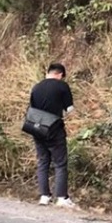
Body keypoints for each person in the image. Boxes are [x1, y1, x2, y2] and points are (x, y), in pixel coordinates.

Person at [29, 63, 75, 208]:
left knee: (43, 161)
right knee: (60, 162)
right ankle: (61, 197)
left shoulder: (36, 87)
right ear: (60, 74)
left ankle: (44, 196)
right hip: (54, 128)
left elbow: (32, 108)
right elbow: (70, 109)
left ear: (48, 72)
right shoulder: (62, 86)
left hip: (37, 128)